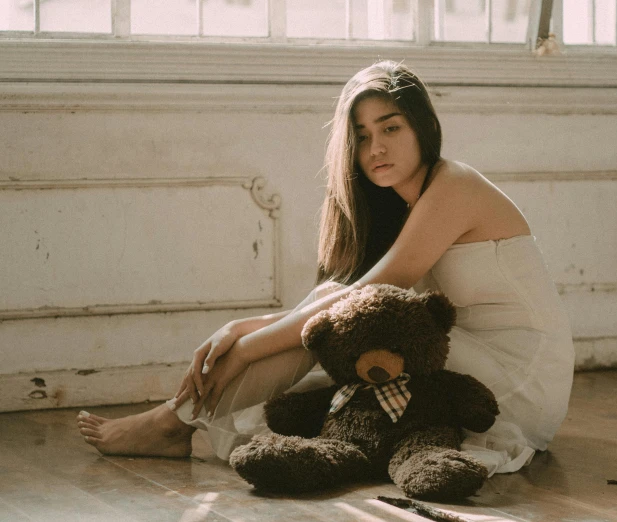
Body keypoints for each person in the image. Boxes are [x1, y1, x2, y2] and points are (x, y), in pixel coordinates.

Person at [77, 61, 575, 475]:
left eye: (391, 127)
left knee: (338, 325)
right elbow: (343, 295)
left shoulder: (455, 186)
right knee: (330, 308)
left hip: (517, 378)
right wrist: (243, 327)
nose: (375, 148)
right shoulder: (403, 204)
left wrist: (249, 346)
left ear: (422, 126)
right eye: (361, 137)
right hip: (466, 357)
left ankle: (173, 421)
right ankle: (178, 421)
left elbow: (367, 298)